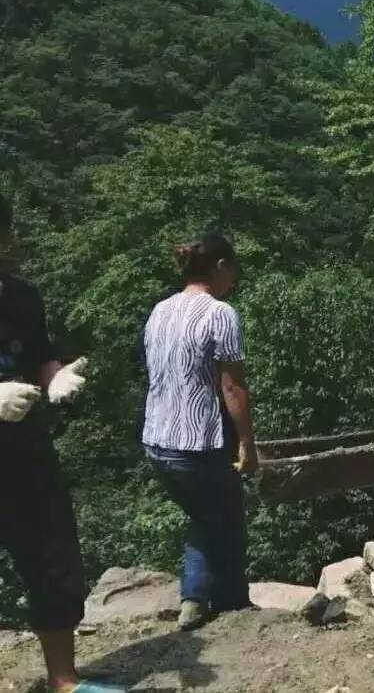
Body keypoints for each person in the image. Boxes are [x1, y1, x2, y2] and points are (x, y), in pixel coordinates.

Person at [0, 192, 122, 693]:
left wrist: (55, 378)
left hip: (25, 451)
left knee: (52, 556)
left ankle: (64, 680)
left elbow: (42, 354)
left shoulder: (21, 295)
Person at [142, 233, 256, 630]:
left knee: (203, 516)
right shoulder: (220, 314)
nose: (235, 279)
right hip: (200, 441)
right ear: (221, 267)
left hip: (157, 440)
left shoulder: (159, 311)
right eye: (233, 270)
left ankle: (197, 599)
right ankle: (228, 606)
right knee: (225, 520)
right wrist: (246, 442)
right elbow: (232, 387)